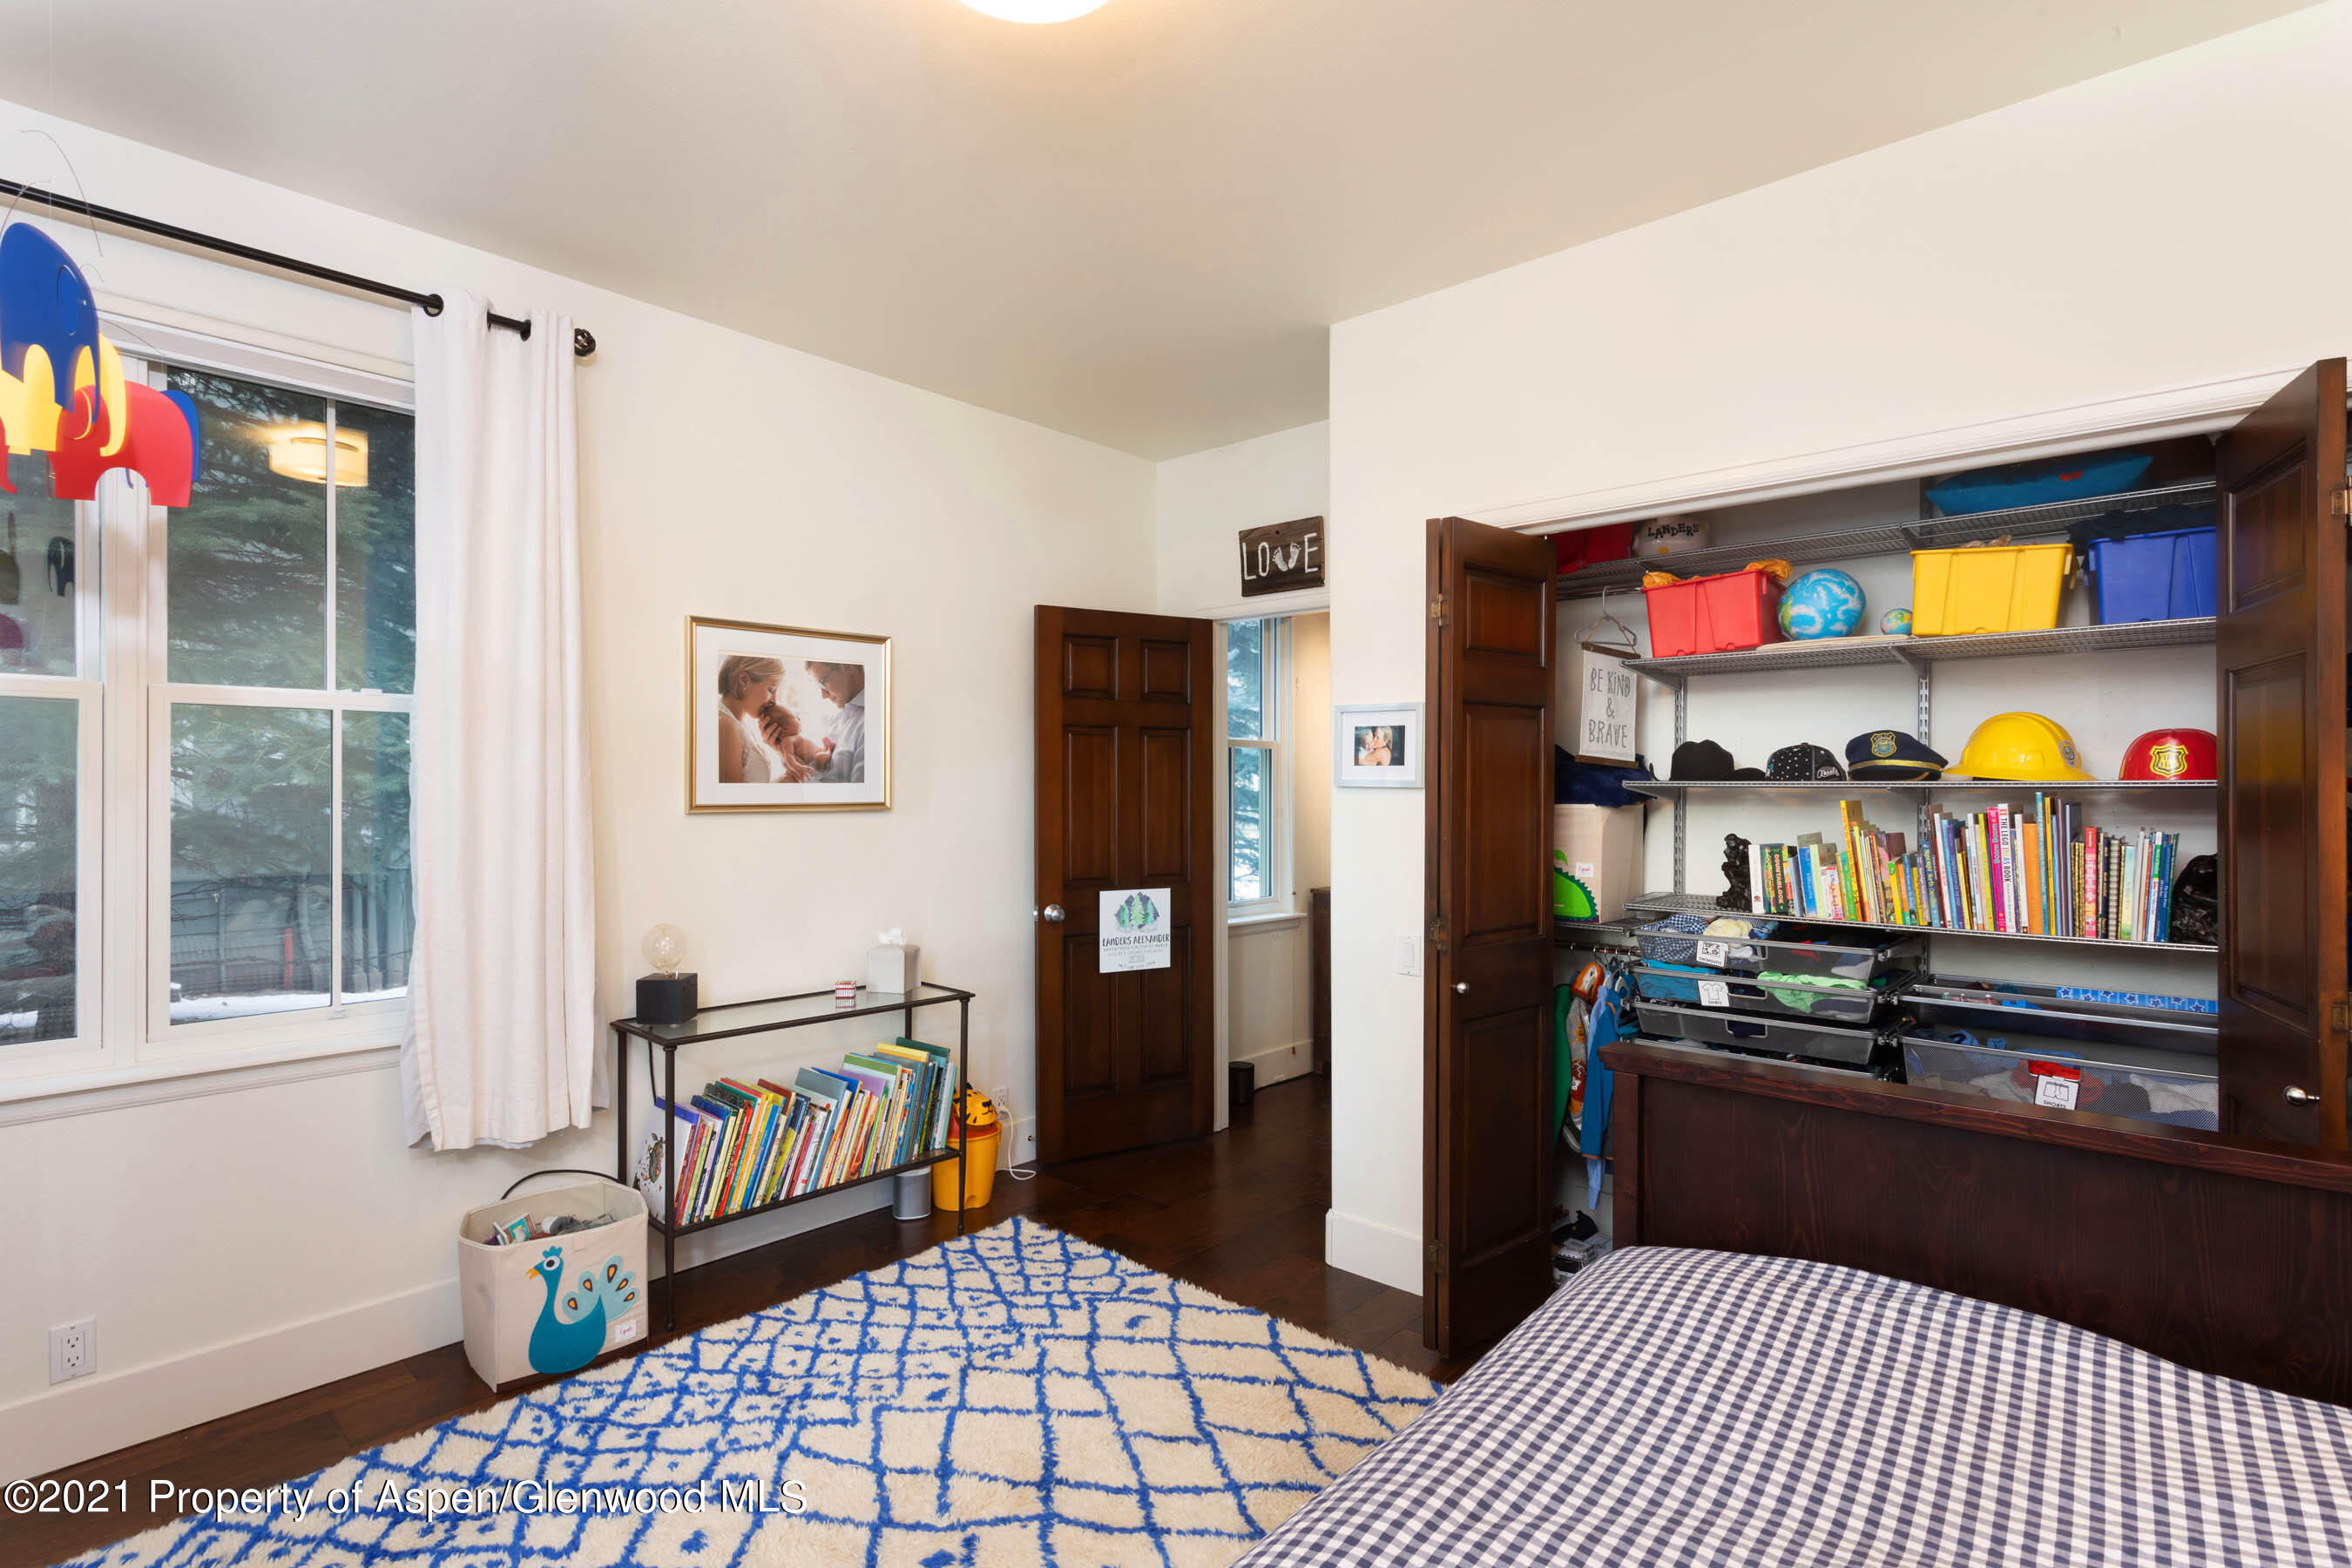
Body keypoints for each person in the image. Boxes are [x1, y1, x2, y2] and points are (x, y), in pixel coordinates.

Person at [714, 654, 806, 784]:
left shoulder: (739, 724)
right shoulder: (727, 726)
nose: (774, 701)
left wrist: (781, 750)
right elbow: (732, 801)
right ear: (743, 680)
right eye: (771, 690)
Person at [808, 660, 867, 783]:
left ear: (847, 666)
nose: (823, 696)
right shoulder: (837, 718)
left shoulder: (875, 722)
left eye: (823, 682)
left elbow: (860, 798)